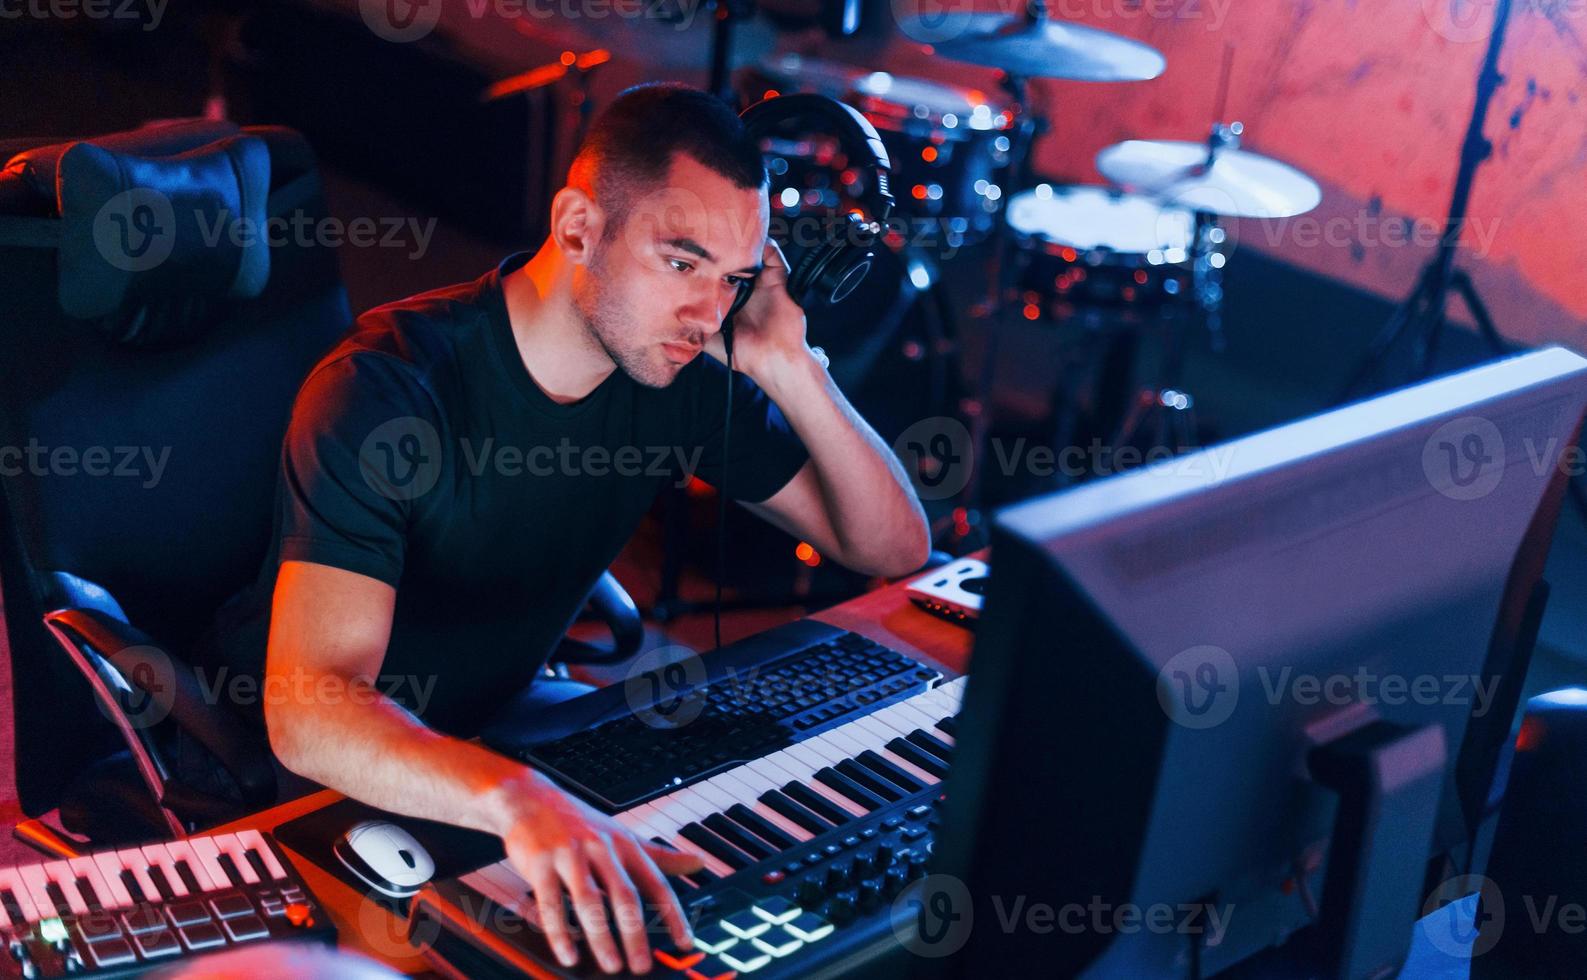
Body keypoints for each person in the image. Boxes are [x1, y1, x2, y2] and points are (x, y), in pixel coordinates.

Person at [202, 82, 930, 975]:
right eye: (681, 262)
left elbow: (893, 549)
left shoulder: (684, 367)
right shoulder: (387, 391)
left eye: (734, 279)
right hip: (346, 775)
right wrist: (516, 798)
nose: (709, 313)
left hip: (514, 733)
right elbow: (310, 715)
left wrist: (790, 362)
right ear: (580, 227)